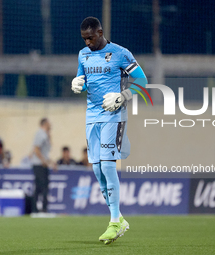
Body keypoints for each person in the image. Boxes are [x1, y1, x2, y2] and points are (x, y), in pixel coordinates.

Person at [71, 17, 148, 244]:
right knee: (96, 170)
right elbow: (83, 78)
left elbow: (142, 80)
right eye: (84, 39)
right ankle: (118, 219)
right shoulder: (82, 54)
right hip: (91, 116)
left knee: (107, 164)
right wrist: (78, 83)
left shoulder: (121, 53)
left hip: (114, 115)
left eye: (91, 38)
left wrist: (122, 96)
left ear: (100, 32)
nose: (87, 43)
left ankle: (114, 221)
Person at [30, 118, 56, 215]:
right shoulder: (40, 133)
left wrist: (51, 162)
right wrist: (43, 161)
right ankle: (39, 209)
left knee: (41, 187)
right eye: (49, 123)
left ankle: (38, 209)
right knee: (42, 187)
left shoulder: (45, 134)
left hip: (42, 164)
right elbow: (36, 149)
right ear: (45, 124)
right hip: (39, 164)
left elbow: (45, 152)